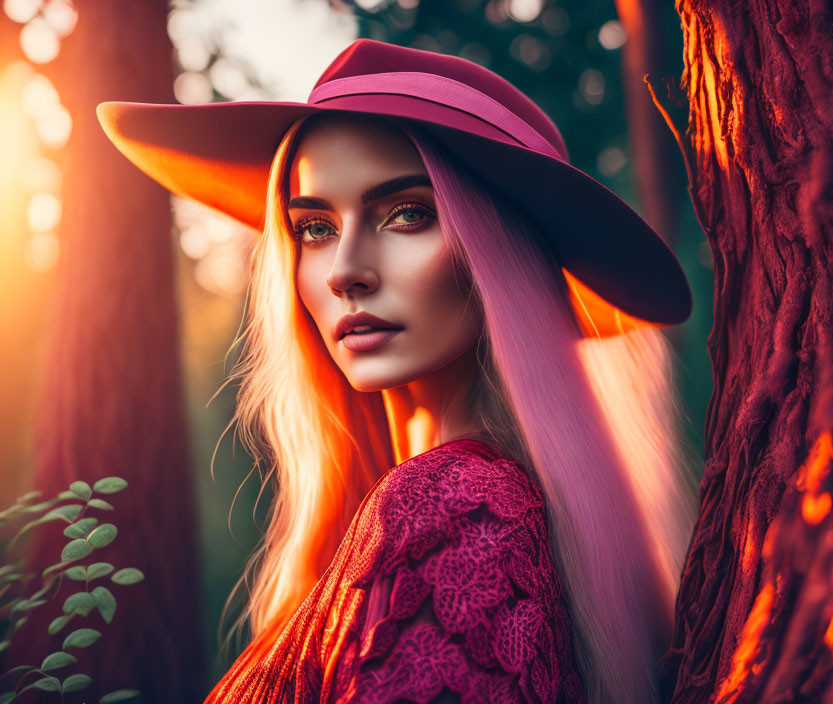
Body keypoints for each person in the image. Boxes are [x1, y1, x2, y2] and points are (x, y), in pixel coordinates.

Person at [98, 38, 698, 704]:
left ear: (499, 252)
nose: (344, 269)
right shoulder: (450, 506)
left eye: (406, 214)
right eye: (314, 228)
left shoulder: (453, 503)